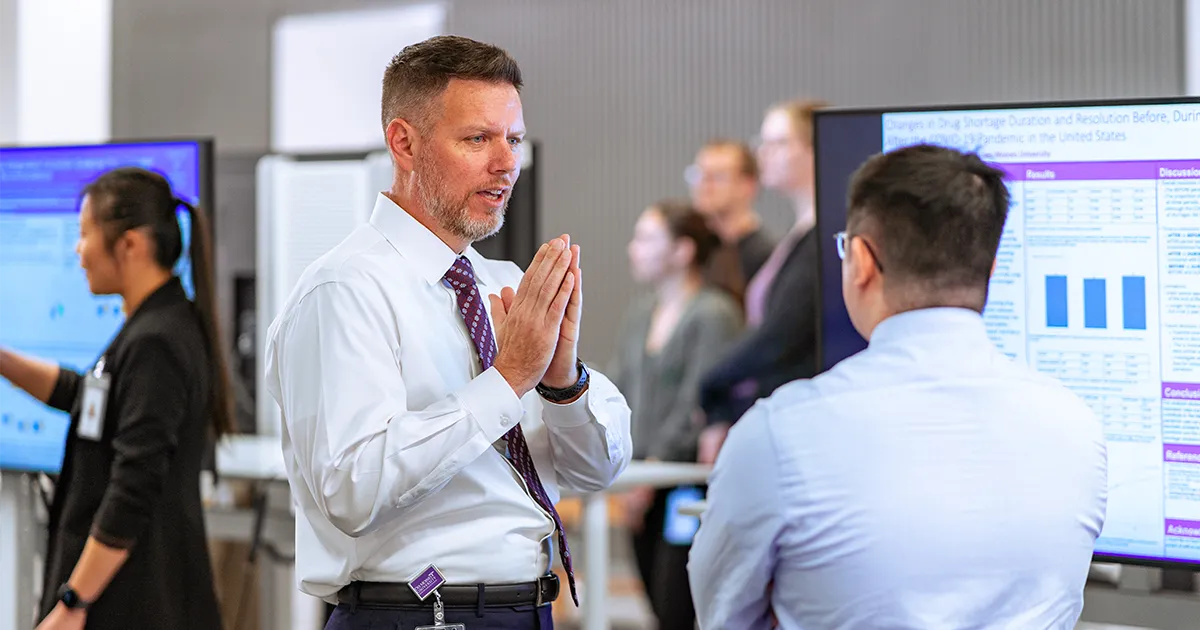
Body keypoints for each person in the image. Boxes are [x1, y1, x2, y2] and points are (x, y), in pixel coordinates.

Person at [263, 35, 632, 630]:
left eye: (512, 139)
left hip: (526, 609)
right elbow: (353, 488)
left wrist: (562, 382)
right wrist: (508, 380)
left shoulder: (504, 285)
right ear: (404, 143)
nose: (507, 162)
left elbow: (597, 472)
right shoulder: (345, 290)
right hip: (413, 614)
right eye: (477, 138)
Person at [689, 144, 1108, 629]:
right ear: (991, 270)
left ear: (862, 261)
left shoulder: (778, 434)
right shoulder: (1076, 426)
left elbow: (722, 614)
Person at [0, 167, 232, 630]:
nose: (78, 251)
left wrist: (73, 602)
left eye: (85, 235)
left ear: (130, 245)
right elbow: (86, 397)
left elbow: (134, 485)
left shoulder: (157, 341)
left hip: (138, 601)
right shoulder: (151, 327)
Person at [609, 200, 741, 630]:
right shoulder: (638, 316)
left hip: (683, 483)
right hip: (639, 482)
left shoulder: (713, 314)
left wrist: (649, 472)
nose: (634, 249)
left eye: (647, 239)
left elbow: (697, 405)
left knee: (678, 609)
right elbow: (617, 392)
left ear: (682, 251)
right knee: (655, 606)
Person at [696, 99, 827, 463]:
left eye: (779, 143)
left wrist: (711, 385)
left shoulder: (820, 239)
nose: (763, 153)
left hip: (796, 422)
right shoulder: (800, 235)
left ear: (815, 149)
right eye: (763, 142)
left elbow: (780, 335)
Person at [686, 139, 775, 307]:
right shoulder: (695, 250)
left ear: (748, 186)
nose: (704, 186)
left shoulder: (763, 256)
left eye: (717, 177)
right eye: (698, 175)